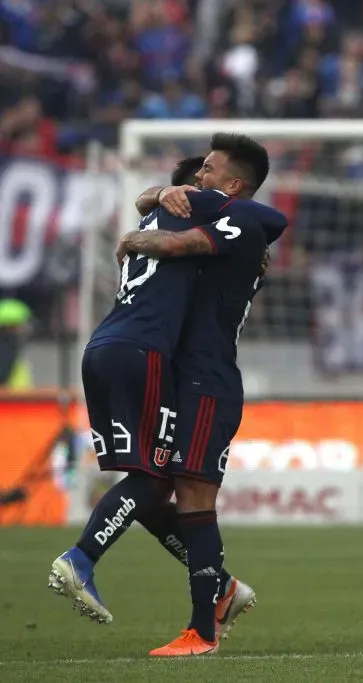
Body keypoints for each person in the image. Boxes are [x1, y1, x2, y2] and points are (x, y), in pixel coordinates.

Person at [48, 135, 286, 657]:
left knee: (191, 497)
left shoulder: (240, 220)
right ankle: (221, 589)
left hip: (206, 381)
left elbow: (239, 228)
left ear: (232, 185)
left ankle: (202, 631)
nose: (198, 179)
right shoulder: (213, 223)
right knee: (154, 488)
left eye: (208, 171)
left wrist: (138, 234)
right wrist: (157, 194)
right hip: (176, 374)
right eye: (196, 172)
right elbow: (168, 219)